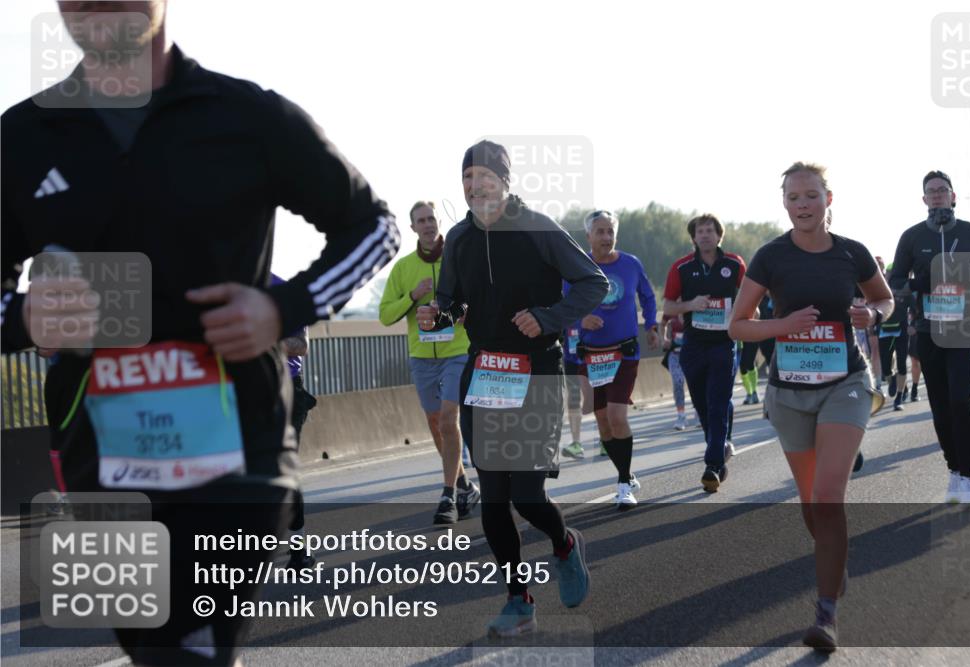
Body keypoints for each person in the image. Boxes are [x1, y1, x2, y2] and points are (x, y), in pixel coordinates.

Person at [1, 3, 400, 665]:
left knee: (187, 653)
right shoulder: (23, 136)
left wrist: (284, 307)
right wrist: (23, 318)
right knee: (158, 652)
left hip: (237, 455)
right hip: (98, 468)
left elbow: (375, 228)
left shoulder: (245, 116)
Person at [417, 140, 607, 638]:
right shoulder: (457, 239)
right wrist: (440, 314)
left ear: (504, 180)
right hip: (484, 373)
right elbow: (452, 301)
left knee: (526, 494)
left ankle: (564, 544)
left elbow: (593, 283)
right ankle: (518, 599)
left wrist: (548, 318)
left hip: (536, 371)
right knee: (495, 501)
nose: (475, 185)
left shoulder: (538, 228)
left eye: (484, 176)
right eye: (467, 178)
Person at [729, 161, 893, 653]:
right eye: (793, 197)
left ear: (829, 199)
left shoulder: (852, 253)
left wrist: (872, 314)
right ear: (785, 203)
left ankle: (826, 613)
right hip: (790, 391)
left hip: (845, 382)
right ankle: (832, 559)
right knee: (809, 504)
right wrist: (784, 326)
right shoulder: (770, 257)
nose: (802, 205)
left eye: (811, 196)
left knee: (827, 495)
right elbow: (738, 325)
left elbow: (885, 301)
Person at [888, 170, 970, 505]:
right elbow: (895, 282)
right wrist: (920, 282)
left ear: (953, 196)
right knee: (939, 407)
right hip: (928, 329)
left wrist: (969, 278)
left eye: (942, 190)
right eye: (931, 191)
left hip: (963, 330)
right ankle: (953, 469)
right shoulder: (911, 237)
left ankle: (969, 476)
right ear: (924, 199)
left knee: (959, 400)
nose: (937, 195)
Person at [378, 200, 480, 524]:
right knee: (436, 425)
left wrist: (458, 313)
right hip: (422, 358)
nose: (427, 224)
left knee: (450, 419)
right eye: (420, 220)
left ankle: (447, 496)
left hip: (456, 352)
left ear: (438, 223)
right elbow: (384, 316)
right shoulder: (404, 268)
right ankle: (465, 484)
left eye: (431, 219)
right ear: (412, 228)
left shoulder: (458, 260)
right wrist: (412, 297)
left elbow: (475, 301)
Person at [575, 210, 658, 509]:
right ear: (589, 236)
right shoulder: (578, 266)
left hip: (624, 352)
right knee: (603, 424)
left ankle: (623, 483)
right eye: (600, 231)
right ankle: (627, 471)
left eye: (610, 231)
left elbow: (648, 297)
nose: (606, 237)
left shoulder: (630, 263)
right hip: (592, 357)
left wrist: (651, 325)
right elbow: (562, 306)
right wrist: (580, 320)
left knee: (617, 417)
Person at [663, 214, 742, 492]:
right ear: (693, 237)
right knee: (702, 404)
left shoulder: (734, 264)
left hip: (724, 343)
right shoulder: (681, 267)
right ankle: (721, 445)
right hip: (693, 346)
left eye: (711, 230)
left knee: (718, 400)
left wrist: (749, 313)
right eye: (700, 231)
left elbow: (749, 298)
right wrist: (691, 304)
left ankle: (713, 464)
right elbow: (669, 307)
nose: (706, 235)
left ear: (720, 236)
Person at [271, 274, 319, 569]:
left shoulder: (284, 290)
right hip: (233, 390)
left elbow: (301, 345)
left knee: (281, 465)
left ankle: (298, 545)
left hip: (285, 388)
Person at [872, 262, 910, 411]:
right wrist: (871, 326)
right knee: (886, 368)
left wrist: (914, 324)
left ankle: (899, 397)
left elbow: (914, 307)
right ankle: (894, 380)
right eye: (889, 272)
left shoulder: (905, 288)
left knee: (901, 364)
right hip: (884, 331)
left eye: (894, 272)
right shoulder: (879, 290)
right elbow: (872, 307)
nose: (892, 275)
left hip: (902, 331)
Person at [661, 314, 694, 430]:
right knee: (678, 382)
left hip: (692, 354)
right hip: (674, 355)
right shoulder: (672, 309)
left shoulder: (692, 305)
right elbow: (663, 323)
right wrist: (664, 338)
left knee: (695, 384)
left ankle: (700, 412)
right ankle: (681, 415)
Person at [559, 323, 586, 458]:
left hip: (591, 356)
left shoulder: (591, 302)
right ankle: (576, 443)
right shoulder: (563, 302)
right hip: (571, 359)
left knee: (599, 397)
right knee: (574, 399)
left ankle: (605, 440)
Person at [738, 340, 761, 405]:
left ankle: (754, 392)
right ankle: (749, 393)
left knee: (749, 363)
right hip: (739, 339)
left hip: (752, 335)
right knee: (742, 365)